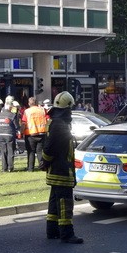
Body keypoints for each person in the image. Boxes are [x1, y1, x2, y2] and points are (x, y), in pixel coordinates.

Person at [40, 91, 83, 244]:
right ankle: (66, 233)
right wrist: (45, 161)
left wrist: (46, 162)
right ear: (67, 108)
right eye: (70, 109)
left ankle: (52, 230)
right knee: (65, 203)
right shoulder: (60, 124)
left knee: (54, 202)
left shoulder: (55, 121)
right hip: (62, 170)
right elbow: (50, 147)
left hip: (55, 170)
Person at [23, 96, 48, 172]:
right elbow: (48, 119)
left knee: (31, 152)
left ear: (29, 103)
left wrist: (21, 132)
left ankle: (30, 168)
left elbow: (24, 123)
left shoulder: (27, 111)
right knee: (40, 151)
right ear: (36, 103)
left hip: (30, 134)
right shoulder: (42, 110)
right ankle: (42, 167)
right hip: (41, 133)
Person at [0, 101, 17, 172]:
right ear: (10, 107)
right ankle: (10, 168)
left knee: (3, 152)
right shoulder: (12, 115)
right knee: (10, 151)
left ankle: (4, 168)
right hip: (9, 134)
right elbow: (16, 126)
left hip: (1, 135)